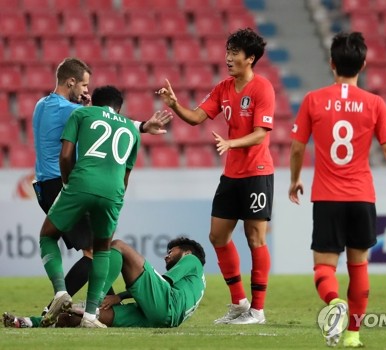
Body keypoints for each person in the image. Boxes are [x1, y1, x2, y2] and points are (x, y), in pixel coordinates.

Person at [288, 32, 386, 347]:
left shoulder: (313, 100)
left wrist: (294, 179)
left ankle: (335, 303)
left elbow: (296, 149)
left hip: (327, 197)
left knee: (324, 268)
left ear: (332, 64)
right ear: (363, 64)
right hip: (362, 196)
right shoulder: (375, 103)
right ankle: (352, 335)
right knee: (358, 266)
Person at [32, 57, 170, 315]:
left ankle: (102, 300)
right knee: (95, 251)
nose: (86, 91)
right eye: (83, 85)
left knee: (90, 246)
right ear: (70, 81)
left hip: (43, 185)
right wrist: (143, 127)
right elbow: (108, 120)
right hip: (62, 182)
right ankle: (58, 303)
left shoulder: (42, 104)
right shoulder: (75, 111)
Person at [157, 28, 275, 325]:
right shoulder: (224, 88)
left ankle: (257, 311)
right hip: (232, 174)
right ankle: (239, 303)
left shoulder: (262, 89)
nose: (228, 58)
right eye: (227, 52)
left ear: (250, 58)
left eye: (235, 53)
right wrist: (174, 105)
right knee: (217, 236)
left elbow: (261, 134)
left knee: (255, 238)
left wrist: (231, 142)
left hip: (257, 173)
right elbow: (197, 117)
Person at [38, 85, 141, 328]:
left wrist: (67, 185)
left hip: (81, 183)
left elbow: (64, 156)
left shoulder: (82, 114)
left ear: (93, 101)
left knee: (47, 236)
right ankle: (92, 316)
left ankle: (61, 292)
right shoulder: (131, 129)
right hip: (113, 192)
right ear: (119, 108)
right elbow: (126, 176)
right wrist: (114, 200)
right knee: (102, 250)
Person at [3, 236, 206, 329]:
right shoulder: (193, 282)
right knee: (76, 319)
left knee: (118, 246)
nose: (166, 255)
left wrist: (120, 295)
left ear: (186, 251)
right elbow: (160, 288)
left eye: (171, 251)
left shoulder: (193, 260)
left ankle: (93, 302)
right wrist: (119, 296)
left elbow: (164, 282)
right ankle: (26, 322)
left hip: (166, 305)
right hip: (162, 319)